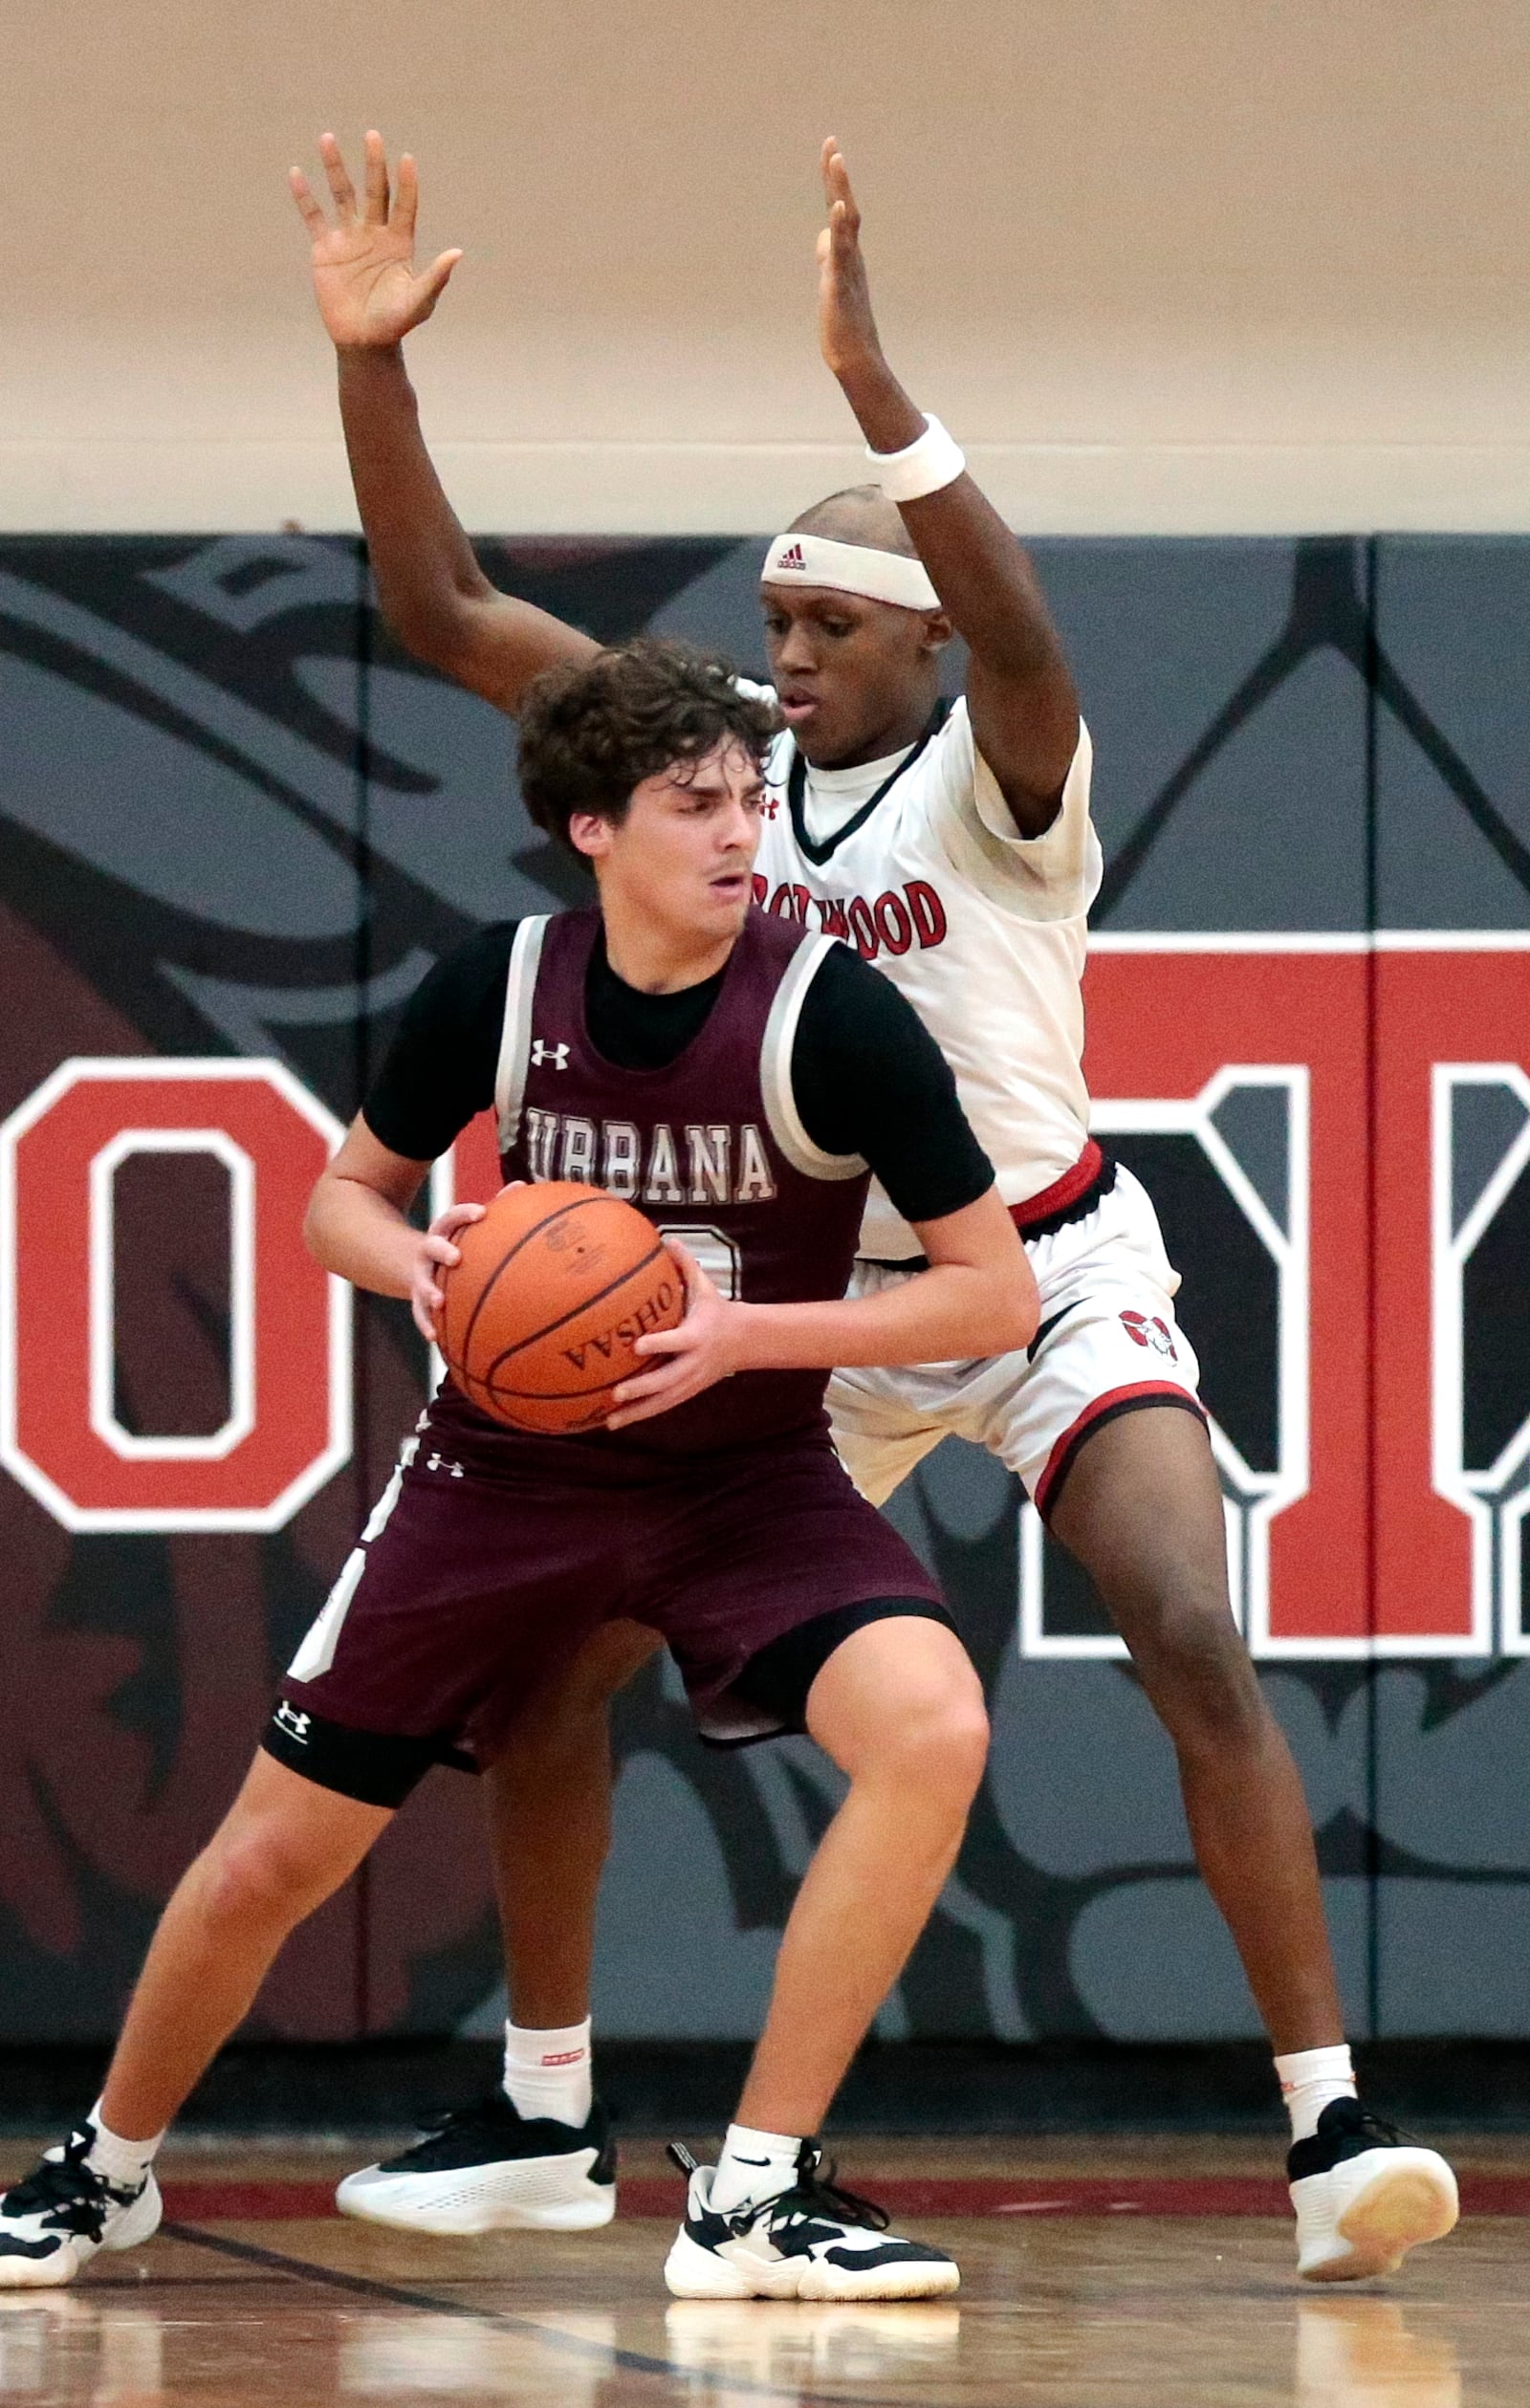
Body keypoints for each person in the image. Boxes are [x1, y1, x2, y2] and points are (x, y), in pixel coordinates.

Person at [289, 132, 1458, 2285]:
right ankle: (548, 2110)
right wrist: (370, 366)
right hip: (805, 1307)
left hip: (1034, 1264)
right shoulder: (716, 768)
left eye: (827, 622)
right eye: (774, 624)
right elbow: (444, 614)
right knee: (553, 1671)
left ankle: (1331, 2130)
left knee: (1189, 1624)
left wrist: (878, 395)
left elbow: (1013, 621)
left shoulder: (1003, 777)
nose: (787, 655)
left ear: (914, 634)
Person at [0, 640, 1039, 2299]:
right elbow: (340, 1196)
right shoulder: (499, 987)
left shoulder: (831, 1013)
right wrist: (419, 1265)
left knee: (934, 1725)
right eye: (693, 801)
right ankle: (106, 2166)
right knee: (278, 1852)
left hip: (741, 1481)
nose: (738, 830)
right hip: (505, 1474)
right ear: (591, 829)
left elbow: (992, 1287)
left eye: (752, 796)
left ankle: (755, 2192)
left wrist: (743, 1336)